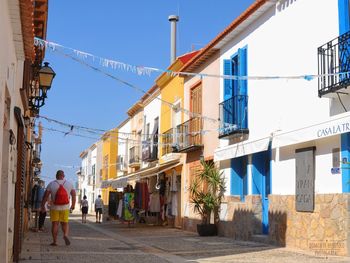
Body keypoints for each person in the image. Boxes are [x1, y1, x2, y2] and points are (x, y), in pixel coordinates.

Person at [41, 170, 76, 246]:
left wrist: (42, 205)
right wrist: (73, 205)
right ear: (63, 176)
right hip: (65, 207)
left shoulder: (51, 184)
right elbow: (73, 195)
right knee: (65, 223)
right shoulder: (69, 184)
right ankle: (65, 235)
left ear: (56, 176)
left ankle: (55, 241)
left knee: (55, 224)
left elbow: (45, 196)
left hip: (54, 207)